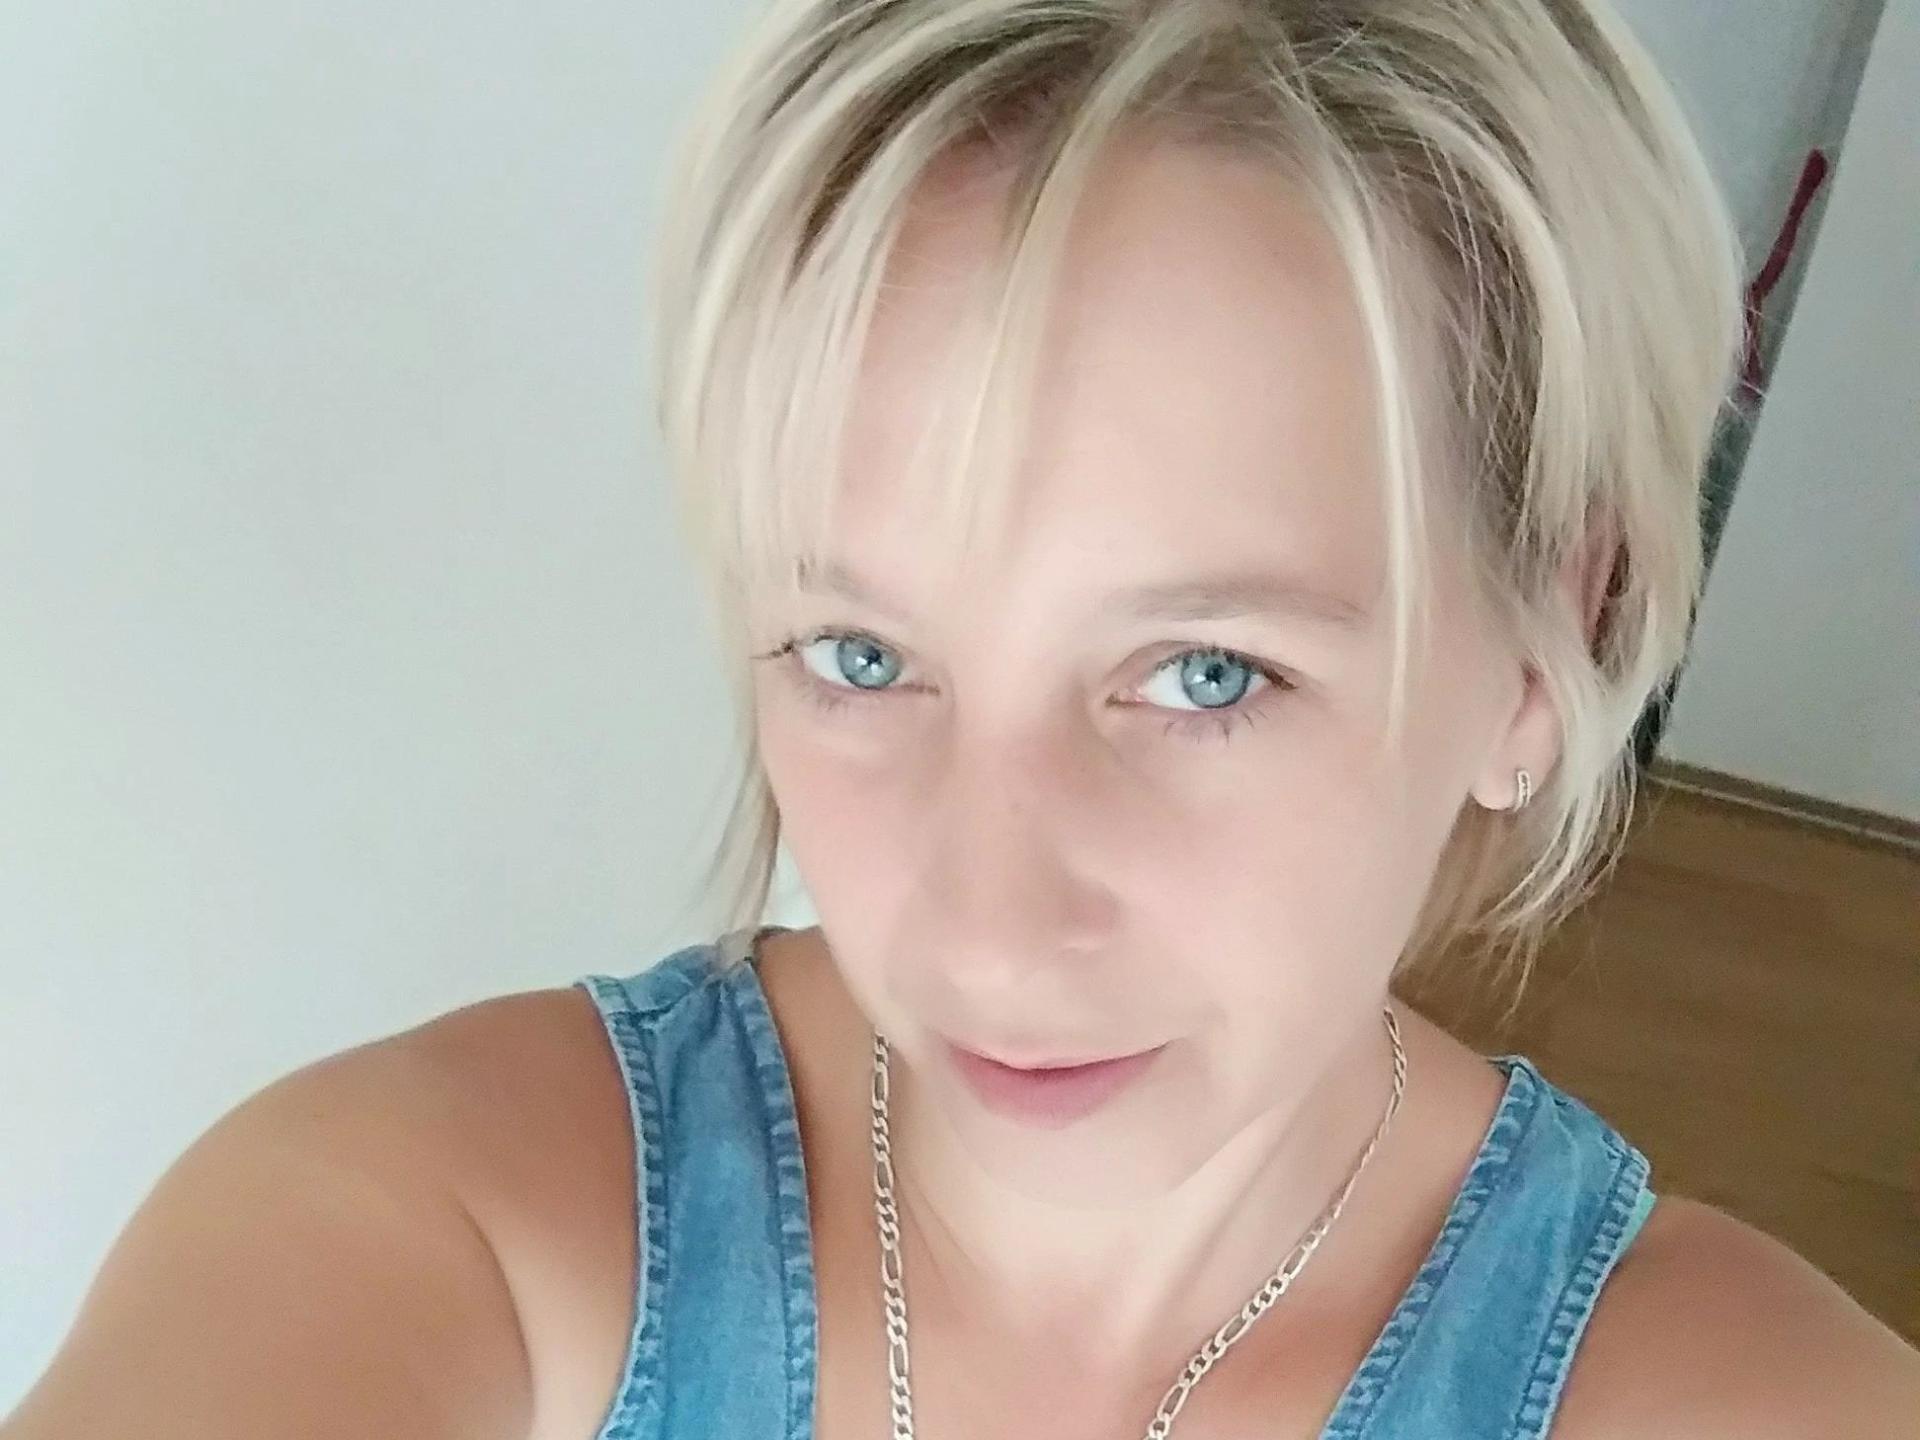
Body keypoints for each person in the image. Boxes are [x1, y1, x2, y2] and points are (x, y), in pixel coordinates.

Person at [7, 1, 1918, 1437]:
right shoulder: (449, 1226)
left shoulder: (1729, 1399)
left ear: (1557, 645)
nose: (986, 930)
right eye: (860, 656)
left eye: (1206, 674)